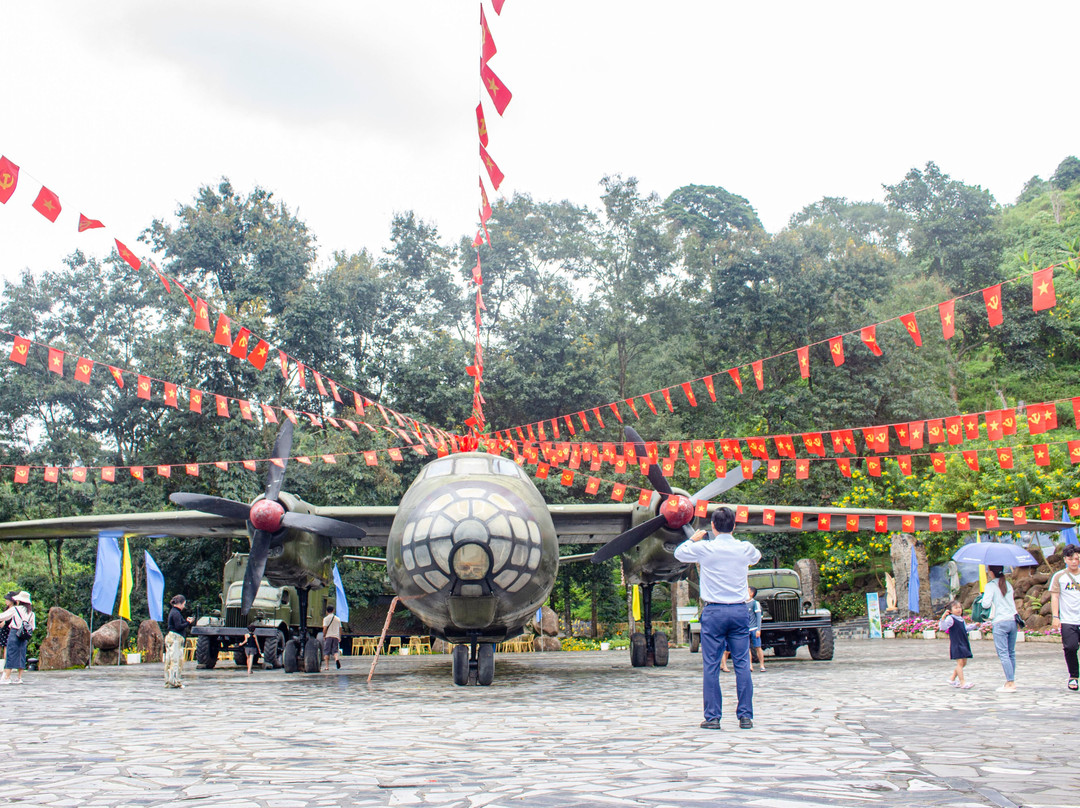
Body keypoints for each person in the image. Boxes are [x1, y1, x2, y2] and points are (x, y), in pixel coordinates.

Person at [674, 506, 761, 730]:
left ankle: (712, 717)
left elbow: (679, 554)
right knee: (742, 663)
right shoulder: (744, 548)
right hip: (740, 611)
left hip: (714, 612)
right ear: (734, 525)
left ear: (713, 526)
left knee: (711, 665)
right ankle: (745, 716)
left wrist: (693, 538)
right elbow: (757, 557)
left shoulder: (705, 548)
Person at [980, 566, 1018, 693]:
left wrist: (982, 598)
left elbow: (985, 604)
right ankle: (1011, 680)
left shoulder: (990, 586)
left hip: (1000, 622)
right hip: (1012, 621)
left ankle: (1010, 682)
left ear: (991, 572)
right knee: (1011, 652)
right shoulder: (1007, 584)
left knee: (1003, 653)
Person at [1049, 543, 1080, 691]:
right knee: (1070, 647)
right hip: (1068, 619)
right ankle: (1073, 676)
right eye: (1071, 558)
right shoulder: (1059, 577)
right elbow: (1055, 597)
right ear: (1065, 559)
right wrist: (1056, 616)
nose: (1074, 561)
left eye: (1077, 558)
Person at [719, 587, 764, 673]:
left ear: (751, 593)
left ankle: (762, 665)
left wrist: (758, 629)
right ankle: (749, 664)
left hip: (754, 628)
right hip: (745, 629)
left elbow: (758, 617)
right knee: (747, 648)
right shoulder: (742, 603)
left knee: (758, 647)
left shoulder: (755, 603)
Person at [0, 590, 35, 684]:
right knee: (21, 654)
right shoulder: (31, 613)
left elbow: (3, 617)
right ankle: (19, 677)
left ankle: (7, 677)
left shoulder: (15, 609)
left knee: (10, 654)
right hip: (24, 635)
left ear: (19, 600)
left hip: (15, 632)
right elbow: (33, 627)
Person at [939, 600, 974, 688]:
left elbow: (965, 629)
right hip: (956, 643)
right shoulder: (950, 618)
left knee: (963, 663)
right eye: (956, 608)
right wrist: (943, 618)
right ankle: (962, 682)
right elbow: (943, 627)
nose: (958, 610)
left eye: (959, 607)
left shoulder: (961, 619)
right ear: (950, 610)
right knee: (960, 663)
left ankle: (952, 678)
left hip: (964, 642)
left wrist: (974, 626)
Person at [164, 594, 194, 689]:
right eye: (183, 604)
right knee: (176, 660)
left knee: (170, 660)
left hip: (171, 638)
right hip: (175, 638)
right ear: (180, 603)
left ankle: (169, 680)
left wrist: (185, 621)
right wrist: (188, 623)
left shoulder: (173, 612)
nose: (184, 606)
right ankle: (175, 681)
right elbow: (178, 626)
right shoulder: (176, 613)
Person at [322, 605, 342, 670]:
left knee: (326, 651)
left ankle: (327, 666)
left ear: (327, 611)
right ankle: (336, 659)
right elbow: (340, 628)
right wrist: (339, 636)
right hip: (335, 636)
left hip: (328, 636)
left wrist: (324, 635)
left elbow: (325, 628)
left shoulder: (325, 619)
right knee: (335, 650)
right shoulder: (337, 619)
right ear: (333, 610)